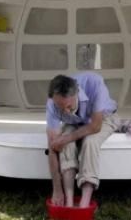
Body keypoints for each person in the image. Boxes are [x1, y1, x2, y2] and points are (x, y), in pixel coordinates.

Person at [46, 73, 119, 208]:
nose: (65, 112)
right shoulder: (52, 102)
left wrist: (67, 138)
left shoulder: (95, 83)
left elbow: (95, 126)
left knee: (89, 142)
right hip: (75, 122)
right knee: (64, 145)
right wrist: (56, 189)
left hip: (103, 118)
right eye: (60, 108)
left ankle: (84, 204)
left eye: (68, 106)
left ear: (77, 93)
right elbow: (52, 147)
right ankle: (68, 201)